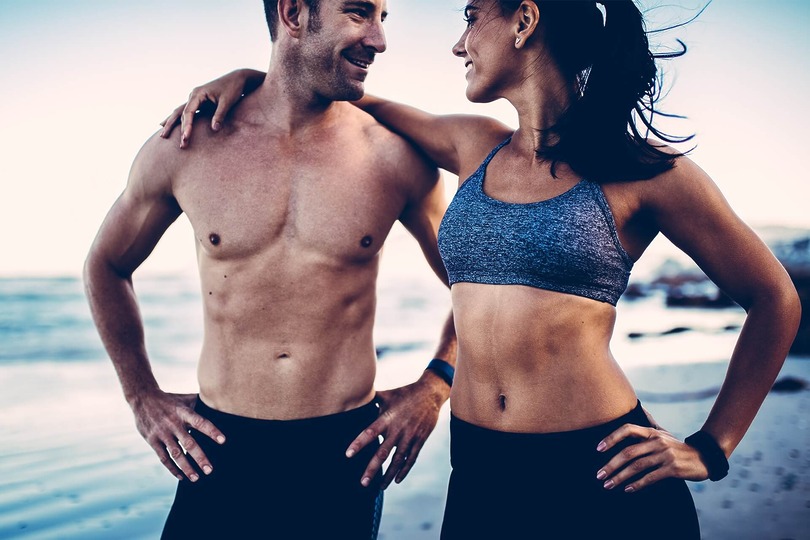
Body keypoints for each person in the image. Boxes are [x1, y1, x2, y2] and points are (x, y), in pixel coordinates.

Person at [163, 0, 801, 538]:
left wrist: (711, 448)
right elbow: (343, 94)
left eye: (471, 18)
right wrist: (251, 75)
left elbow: (774, 298)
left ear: (524, 19)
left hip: (602, 468)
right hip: (478, 475)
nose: (458, 44)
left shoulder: (647, 173)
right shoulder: (472, 144)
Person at [84, 0, 459, 538]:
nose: (378, 40)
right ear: (292, 13)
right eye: (358, 13)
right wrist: (141, 396)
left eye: (383, 17)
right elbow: (106, 263)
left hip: (344, 452)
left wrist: (435, 384)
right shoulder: (188, 144)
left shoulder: (394, 157)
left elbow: (479, 281)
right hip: (217, 449)